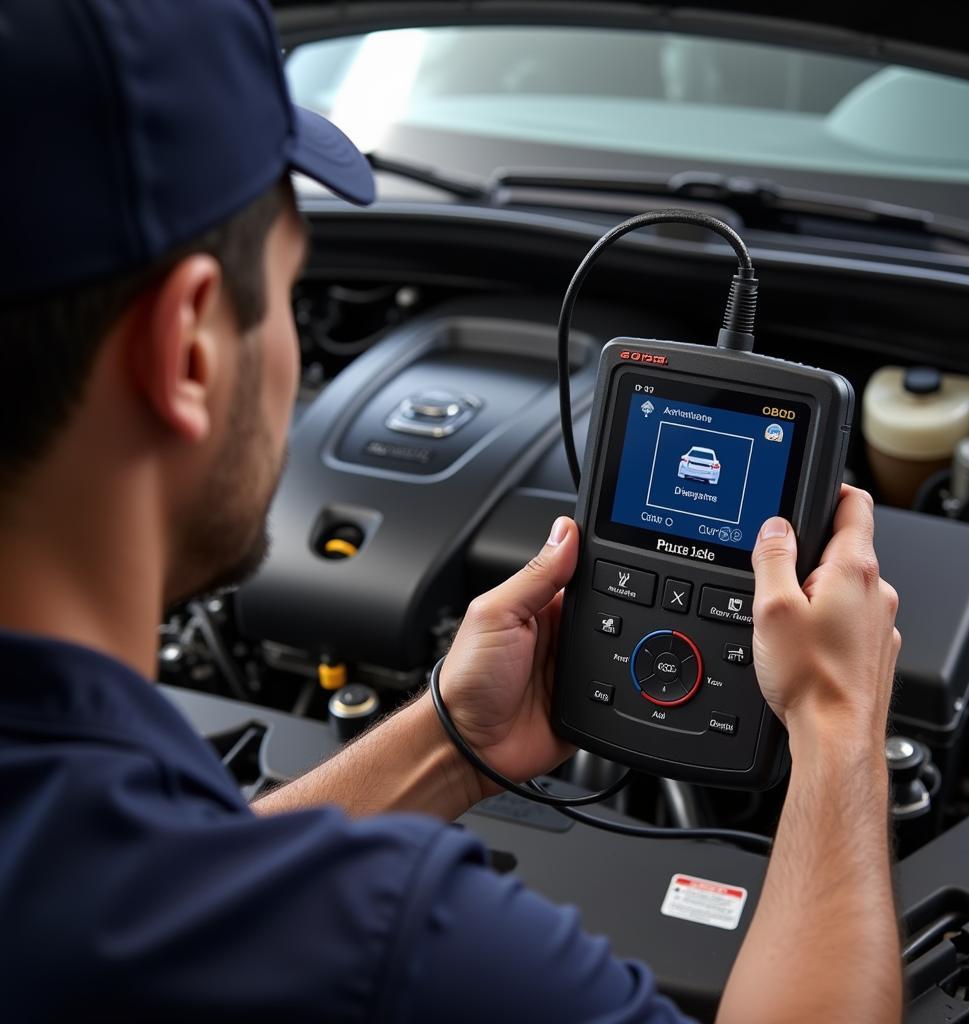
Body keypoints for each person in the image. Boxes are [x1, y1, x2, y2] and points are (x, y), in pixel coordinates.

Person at [0, 1, 902, 1021]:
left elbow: (173, 892)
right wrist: (836, 726)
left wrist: (448, 740)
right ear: (189, 351)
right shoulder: (397, 948)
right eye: (294, 297)